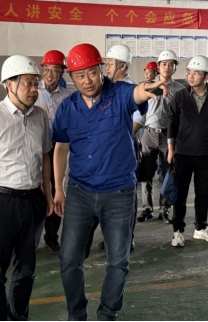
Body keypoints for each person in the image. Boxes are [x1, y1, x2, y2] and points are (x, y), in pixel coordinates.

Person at [52, 43, 169, 321]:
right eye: (80, 76)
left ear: (101, 69)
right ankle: (76, 315)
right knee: (69, 260)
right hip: (80, 192)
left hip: (118, 193)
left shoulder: (118, 94)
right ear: (72, 77)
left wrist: (149, 87)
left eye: (92, 73)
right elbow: (60, 148)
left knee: (118, 261)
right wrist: (58, 189)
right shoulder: (68, 107)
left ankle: (107, 314)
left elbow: (137, 92)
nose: (87, 81)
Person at [0, 55, 54, 321]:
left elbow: (45, 157)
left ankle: (18, 317)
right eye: (28, 83)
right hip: (1, 202)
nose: (34, 89)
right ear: (9, 84)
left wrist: (48, 194)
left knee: (26, 271)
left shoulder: (40, 116)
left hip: (33, 201)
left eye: (36, 84)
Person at [167, 55, 208, 247]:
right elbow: (172, 122)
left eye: (196, 73)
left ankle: (201, 228)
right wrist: (171, 149)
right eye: (189, 73)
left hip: (206, 155)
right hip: (183, 153)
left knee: (203, 194)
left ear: (206, 77)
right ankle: (178, 231)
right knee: (180, 195)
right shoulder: (180, 97)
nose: (191, 77)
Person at [98, 44, 139, 252]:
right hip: (106, 151)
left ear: (123, 66)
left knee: (126, 196)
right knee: (108, 195)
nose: (106, 67)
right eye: (105, 63)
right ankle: (109, 237)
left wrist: (117, 136)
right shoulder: (106, 88)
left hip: (125, 149)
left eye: (110, 63)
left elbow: (138, 121)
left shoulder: (133, 90)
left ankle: (127, 238)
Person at [136, 50, 185, 223]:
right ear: (158, 67)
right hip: (148, 133)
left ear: (175, 68)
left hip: (168, 136)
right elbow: (139, 112)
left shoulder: (180, 91)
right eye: (164, 64)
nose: (167, 67)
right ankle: (147, 208)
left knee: (167, 173)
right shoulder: (146, 86)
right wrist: (138, 133)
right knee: (146, 174)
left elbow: (182, 116)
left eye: (171, 64)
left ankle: (165, 208)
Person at [35, 50, 71, 254]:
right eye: (47, 69)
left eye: (55, 70)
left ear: (61, 73)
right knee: (34, 191)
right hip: (35, 148)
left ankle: (51, 236)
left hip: (57, 149)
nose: (50, 74)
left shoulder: (67, 97)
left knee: (57, 190)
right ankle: (31, 236)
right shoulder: (33, 91)